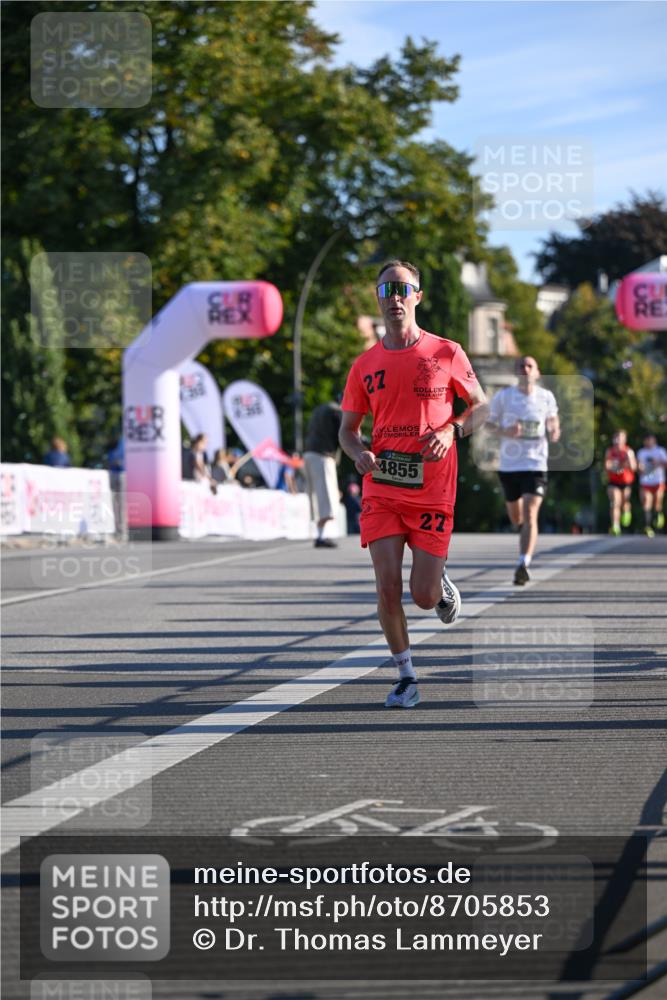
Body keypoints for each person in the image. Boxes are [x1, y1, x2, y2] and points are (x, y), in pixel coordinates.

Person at [339, 259, 488, 709]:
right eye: (387, 290)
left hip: (433, 488)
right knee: (386, 586)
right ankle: (406, 676)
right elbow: (347, 430)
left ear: (418, 296)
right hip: (382, 485)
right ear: (378, 300)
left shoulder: (446, 352)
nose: (395, 298)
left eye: (403, 289)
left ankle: (439, 587)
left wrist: (452, 430)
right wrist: (358, 452)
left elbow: (481, 406)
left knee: (421, 597)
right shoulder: (365, 364)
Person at [486, 356, 560, 586]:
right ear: (516, 372)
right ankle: (522, 536)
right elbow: (487, 423)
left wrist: (554, 429)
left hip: (535, 464)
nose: (525, 370)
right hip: (509, 466)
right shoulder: (504, 397)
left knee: (530, 514)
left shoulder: (546, 397)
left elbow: (554, 420)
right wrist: (505, 431)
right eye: (521, 366)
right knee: (516, 517)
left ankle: (523, 562)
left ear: (537, 372)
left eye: (530, 366)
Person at [304, 399, 343, 548]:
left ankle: (320, 534)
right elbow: (344, 434)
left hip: (309, 454)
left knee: (315, 495)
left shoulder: (319, 409)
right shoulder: (336, 411)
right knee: (326, 496)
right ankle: (321, 536)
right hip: (322, 456)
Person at [604, 429, 637, 535]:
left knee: (624, 503)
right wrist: (613, 465)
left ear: (624, 439)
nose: (618, 439)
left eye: (621, 437)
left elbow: (634, 467)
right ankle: (615, 526)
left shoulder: (628, 451)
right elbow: (607, 466)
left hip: (626, 482)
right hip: (613, 481)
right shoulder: (610, 451)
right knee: (615, 502)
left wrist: (629, 458)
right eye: (616, 437)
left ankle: (627, 511)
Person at [636, 432, 667, 537]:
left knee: (657, 502)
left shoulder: (660, 451)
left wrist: (657, 462)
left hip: (658, 481)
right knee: (646, 503)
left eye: (650, 439)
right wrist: (640, 468)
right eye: (646, 440)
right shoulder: (641, 452)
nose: (648, 442)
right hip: (645, 481)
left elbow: (665, 464)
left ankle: (658, 515)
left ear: (654, 440)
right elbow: (638, 467)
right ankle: (648, 526)